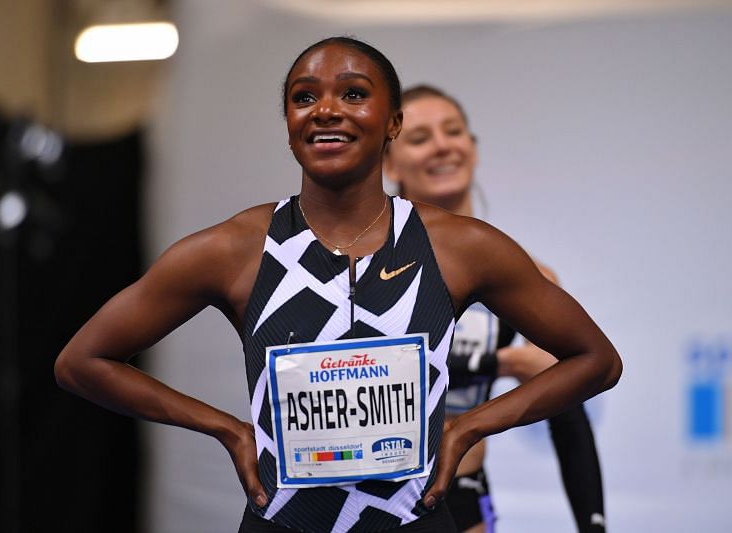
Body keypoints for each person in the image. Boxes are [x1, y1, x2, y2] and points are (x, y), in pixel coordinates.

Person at [54, 37, 622, 533]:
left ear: (393, 123)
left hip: (415, 520)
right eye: (304, 97)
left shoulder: (459, 246)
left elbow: (595, 359)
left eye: (353, 94)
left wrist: (466, 428)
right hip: (283, 523)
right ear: (289, 124)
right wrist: (227, 430)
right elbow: (82, 362)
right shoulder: (235, 248)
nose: (326, 109)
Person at [384, 84, 607, 533]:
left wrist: (593, 524)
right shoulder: (367, 266)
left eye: (453, 131)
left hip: (462, 491)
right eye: (421, 137)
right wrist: (504, 361)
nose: (443, 145)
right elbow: (372, 371)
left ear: (473, 148)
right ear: (388, 163)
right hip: (366, 494)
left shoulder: (527, 275)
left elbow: (568, 405)